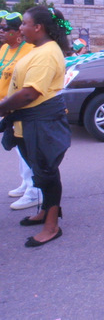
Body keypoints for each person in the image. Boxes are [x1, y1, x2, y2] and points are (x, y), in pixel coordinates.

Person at [0, 6, 71, 247]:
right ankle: (44, 211)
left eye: (25, 23)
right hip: (28, 124)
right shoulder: (38, 49)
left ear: (38, 27)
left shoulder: (47, 53)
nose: (21, 28)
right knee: (38, 169)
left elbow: (29, 93)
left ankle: (52, 226)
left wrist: (3, 107)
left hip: (42, 124)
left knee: (47, 172)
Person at [0, 12, 40, 210]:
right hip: (4, 106)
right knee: (17, 149)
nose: (1, 31)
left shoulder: (31, 51)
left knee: (25, 147)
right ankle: (26, 183)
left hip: (15, 107)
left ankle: (34, 190)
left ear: (18, 33)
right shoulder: (4, 49)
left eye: (5, 28)